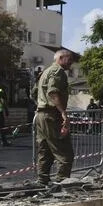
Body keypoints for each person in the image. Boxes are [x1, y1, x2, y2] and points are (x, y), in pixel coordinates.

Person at [35, 49, 74, 184]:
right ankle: (61, 183)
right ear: (61, 58)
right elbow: (53, 92)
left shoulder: (45, 71)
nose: (71, 63)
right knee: (65, 154)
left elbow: (35, 91)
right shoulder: (58, 72)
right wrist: (63, 112)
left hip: (41, 114)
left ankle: (42, 181)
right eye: (69, 60)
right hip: (51, 115)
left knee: (45, 151)